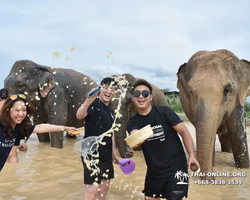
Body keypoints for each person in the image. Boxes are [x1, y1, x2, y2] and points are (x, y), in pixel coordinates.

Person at [127, 79, 200, 200]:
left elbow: (184, 133)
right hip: (154, 172)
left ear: (150, 97)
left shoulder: (165, 112)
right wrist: (136, 139)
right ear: (133, 98)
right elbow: (134, 134)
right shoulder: (133, 122)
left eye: (145, 94)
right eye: (136, 94)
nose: (141, 96)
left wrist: (191, 155)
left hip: (176, 169)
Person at [0, 93, 76, 171]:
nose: (21, 114)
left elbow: (40, 127)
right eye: (17, 110)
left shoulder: (17, 129)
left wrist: (64, 128)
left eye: (24, 110)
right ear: (8, 110)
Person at [76, 77, 120, 200]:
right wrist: (88, 100)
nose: (108, 91)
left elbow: (110, 135)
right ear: (100, 89)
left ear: (115, 93)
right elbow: (79, 115)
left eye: (112, 89)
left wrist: (114, 155)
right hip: (91, 154)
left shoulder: (110, 111)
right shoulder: (93, 103)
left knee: (104, 188)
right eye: (105, 87)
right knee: (91, 191)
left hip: (106, 155)